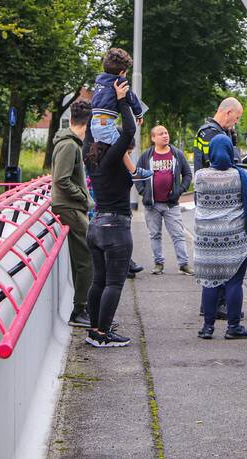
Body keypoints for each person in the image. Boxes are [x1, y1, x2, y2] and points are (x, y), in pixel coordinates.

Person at [82, 79, 137, 348]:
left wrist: (104, 104)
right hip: (117, 228)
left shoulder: (91, 158)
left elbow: (91, 134)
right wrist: (123, 100)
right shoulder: (115, 158)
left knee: (98, 281)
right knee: (114, 283)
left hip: (95, 227)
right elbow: (128, 130)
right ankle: (103, 334)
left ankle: (94, 329)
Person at [193, 134, 247, 340]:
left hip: (206, 241)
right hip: (234, 240)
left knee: (209, 282)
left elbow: (197, 201)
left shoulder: (200, 176)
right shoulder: (239, 176)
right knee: (234, 283)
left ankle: (207, 328)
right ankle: (233, 327)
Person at [50, 99, 94, 329]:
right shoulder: (69, 145)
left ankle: (82, 307)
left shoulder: (70, 142)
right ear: (88, 123)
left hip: (70, 206)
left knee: (84, 257)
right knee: (87, 258)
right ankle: (80, 309)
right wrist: (85, 198)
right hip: (69, 207)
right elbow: (61, 180)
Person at [136, 125, 192, 275]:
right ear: (153, 138)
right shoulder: (146, 156)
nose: (165, 135)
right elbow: (136, 176)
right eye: (161, 134)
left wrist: (180, 190)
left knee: (178, 234)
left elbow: (187, 174)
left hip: (171, 205)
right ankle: (158, 264)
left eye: (166, 132)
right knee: (155, 235)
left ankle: (184, 264)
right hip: (152, 205)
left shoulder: (177, 154)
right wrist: (143, 191)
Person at [91, 47, 146, 146]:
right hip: (105, 122)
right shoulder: (120, 81)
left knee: (101, 151)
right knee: (120, 149)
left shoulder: (99, 79)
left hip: (94, 122)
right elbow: (131, 98)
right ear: (121, 73)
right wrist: (139, 113)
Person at [193, 97, 243, 172]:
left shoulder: (220, 132)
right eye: (237, 118)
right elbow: (220, 167)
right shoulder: (210, 133)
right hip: (213, 182)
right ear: (228, 113)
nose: (236, 122)